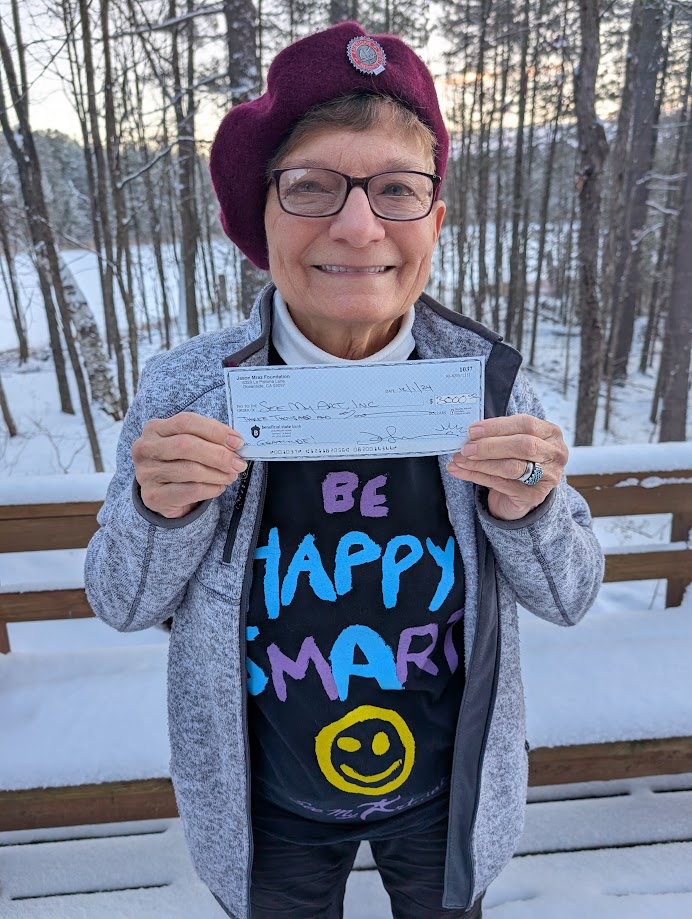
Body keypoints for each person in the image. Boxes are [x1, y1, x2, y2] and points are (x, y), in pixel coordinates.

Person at [85, 21, 604, 919]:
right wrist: (156, 512)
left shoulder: (490, 382)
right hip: (265, 806)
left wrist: (533, 514)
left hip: (448, 800)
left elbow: (569, 595)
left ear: (434, 220)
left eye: (396, 189)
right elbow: (123, 600)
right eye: (312, 187)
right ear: (263, 216)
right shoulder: (189, 390)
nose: (358, 226)